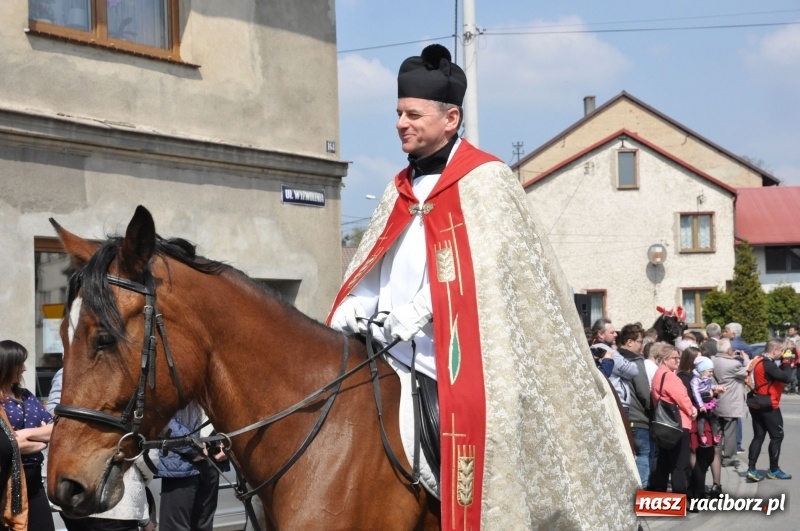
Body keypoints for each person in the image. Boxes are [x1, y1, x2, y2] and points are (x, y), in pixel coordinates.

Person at [327, 44, 638, 529]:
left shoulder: (486, 180)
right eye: (398, 113)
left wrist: (421, 311)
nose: (400, 123)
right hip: (391, 347)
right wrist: (357, 304)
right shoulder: (397, 187)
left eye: (413, 114)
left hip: (468, 353)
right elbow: (376, 259)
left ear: (450, 119)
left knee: (497, 426)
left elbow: (490, 268)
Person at [48, 369, 156, 531]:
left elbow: (53, 416)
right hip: (118, 507)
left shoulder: (67, 378)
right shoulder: (128, 388)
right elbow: (145, 457)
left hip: (74, 499)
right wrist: (145, 478)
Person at [0, 340, 54, 531]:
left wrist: (28, 433)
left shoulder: (27, 395)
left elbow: (54, 429)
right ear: (6, 365)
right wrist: (41, 443)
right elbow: (7, 443)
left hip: (34, 481)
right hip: (7, 481)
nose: (23, 369)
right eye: (19, 364)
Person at [158, 402, 222, 531]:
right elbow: (161, 419)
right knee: (175, 527)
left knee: (204, 526)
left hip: (212, 460)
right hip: (180, 463)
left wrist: (225, 445)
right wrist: (193, 447)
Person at [649, 343, 697, 497]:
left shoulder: (659, 374)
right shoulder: (670, 377)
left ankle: (660, 499)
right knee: (679, 465)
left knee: (663, 463)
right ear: (664, 359)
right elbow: (682, 398)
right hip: (679, 424)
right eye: (674, 358)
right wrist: (692, 410)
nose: (678, 360)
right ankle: (679, 499)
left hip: (664, 425)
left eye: (678, 357)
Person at [745, 339, 793, 482]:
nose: (783, 353)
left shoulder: (758, 359)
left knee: (759, 436)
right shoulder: (768, 364)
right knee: (777, 436)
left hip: (756, 402)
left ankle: (751, 469)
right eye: (782, 351)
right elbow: (786, 377)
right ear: (775, 351)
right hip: (768, 404)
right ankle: (774, 470)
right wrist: (787, 362)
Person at [617, 322, 651, 487]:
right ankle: (641, 496)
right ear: (629, 342)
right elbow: (644, 392)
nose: (642, 346)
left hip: (618, 417)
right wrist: (652, 410)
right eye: (640, 342)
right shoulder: (636, 362)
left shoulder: (614, 358)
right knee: (643, 455)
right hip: (637, 418)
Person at [591, 318, 638, 420]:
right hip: (617, 403)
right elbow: (633, 371)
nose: (616, 335)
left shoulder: (600, 348)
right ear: (601, 334)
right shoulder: (604, 349)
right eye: (612, 332)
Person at [712, 338, 748, 468]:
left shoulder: (713, 360)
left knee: (717, 431)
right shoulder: (733, 364)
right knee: (730, 432)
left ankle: (715, 455)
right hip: (730, 402)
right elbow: (746, 372)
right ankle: (729, 458)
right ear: (728, 349)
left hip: (716, 400)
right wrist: (746, 359)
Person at [690, 357, 722, 447]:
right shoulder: (695, 380)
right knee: (702, 420)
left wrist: (717, 387)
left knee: (714, 418)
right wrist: (701, 405)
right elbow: (696, 393)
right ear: (702, 370)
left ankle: (715, 436)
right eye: (710, 371)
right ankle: (702, 436)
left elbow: (709, 386)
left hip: (709, 402)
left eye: (712, 371)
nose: (711, 374)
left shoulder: (707, 378)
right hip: (702, 403)